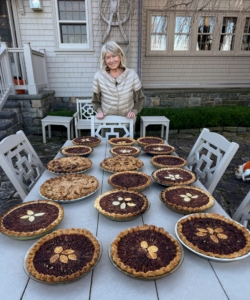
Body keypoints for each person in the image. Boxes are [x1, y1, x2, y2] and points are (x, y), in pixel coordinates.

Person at [92, 41, 145, 121]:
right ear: (104, 60)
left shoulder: (132, 75)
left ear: (120, 56)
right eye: (108, 57)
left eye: (114, 56)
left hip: (127, 121)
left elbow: (140, 98)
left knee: (127, 134)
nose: (112, 60)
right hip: (106, 122)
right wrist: (99, 111)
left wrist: (134, 111)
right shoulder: (98, 76)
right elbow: (95, 101)